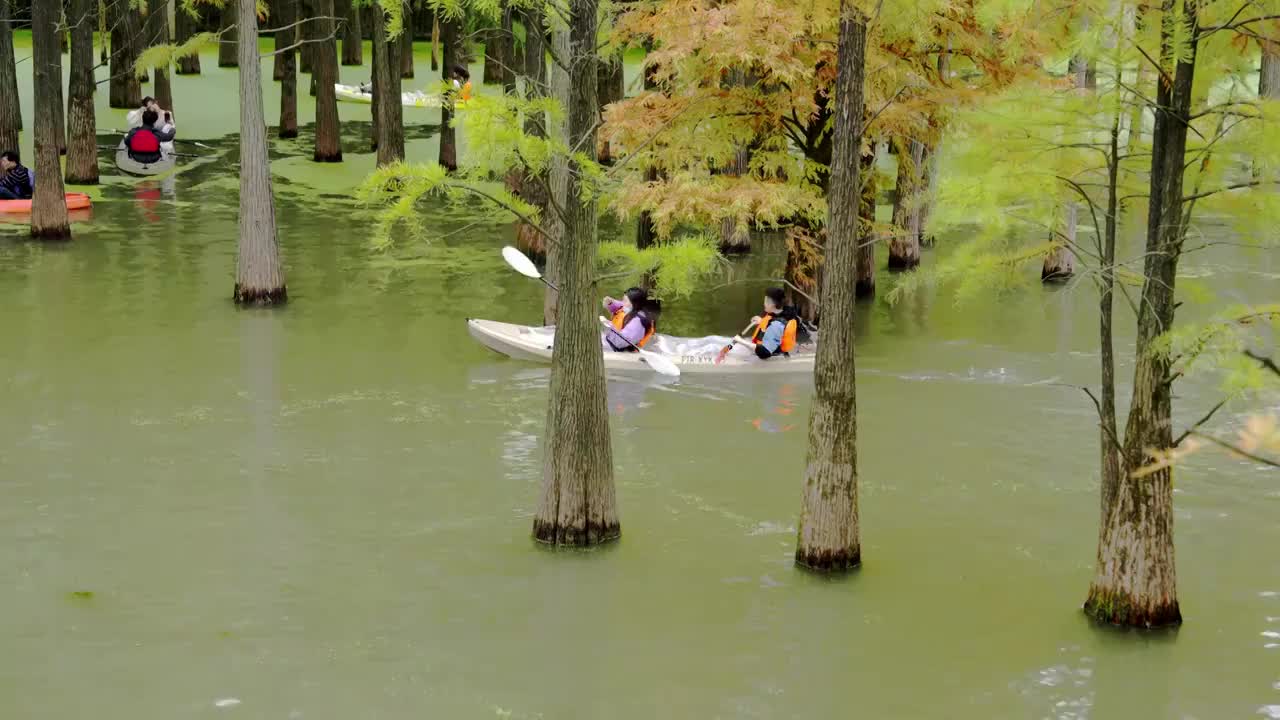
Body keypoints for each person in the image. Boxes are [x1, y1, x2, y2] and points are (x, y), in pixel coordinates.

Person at [735, 287, 808, 360]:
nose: (764, 304)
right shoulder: (784, 314)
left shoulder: (776, 325)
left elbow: (764, 352)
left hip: (771, 358)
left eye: (765, 301)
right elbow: (774, 325)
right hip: (780, 353)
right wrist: (761, 321)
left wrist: (741, 341)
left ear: (772, 304)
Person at [602, 287, 658, 352]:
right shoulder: (635, 311)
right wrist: (611, 303)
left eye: (625, 300)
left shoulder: (637, 322)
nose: (622, 303)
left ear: (634, 303)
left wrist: (608, 327)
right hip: (618, 343)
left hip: (625, 352)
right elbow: (621, 305)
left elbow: (621, 342)